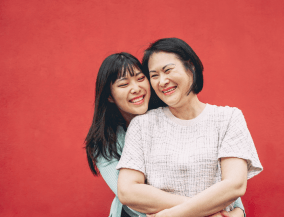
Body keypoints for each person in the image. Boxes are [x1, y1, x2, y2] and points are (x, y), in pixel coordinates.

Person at [85, 52, 246, 217]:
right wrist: (209, 210)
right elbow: (132, 198)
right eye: (124, 84)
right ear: (110, 96)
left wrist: (237, 208)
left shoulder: (172, 116)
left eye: (141, 79)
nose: (136, 89)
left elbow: (217, 173)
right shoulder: (103, 143)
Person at [116, 38, 263, 217]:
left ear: (191, 67)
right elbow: (128, 191)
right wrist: (209, 213)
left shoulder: (228, 118)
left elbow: (235, 185)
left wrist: (172, 215)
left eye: (168, 70)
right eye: (154, 75)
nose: (162, 81)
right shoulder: (142, 125)